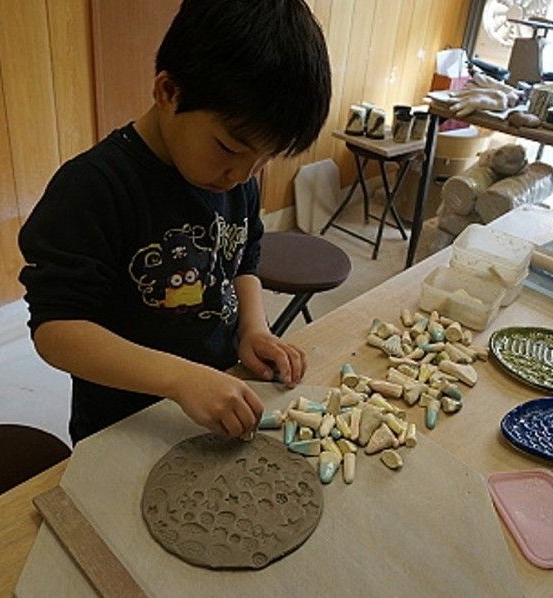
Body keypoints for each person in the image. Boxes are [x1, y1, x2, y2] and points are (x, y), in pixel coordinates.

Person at [18, 0, 331, 444]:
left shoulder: (235, 179)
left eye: (264, 160)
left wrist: (253, 329)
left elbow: (243, 260)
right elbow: (56, 331)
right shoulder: (92, 188)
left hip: (213, 403)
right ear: (168, 92)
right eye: (229, 147)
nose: (244, 174)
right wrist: (180, 379)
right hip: (125, 424)